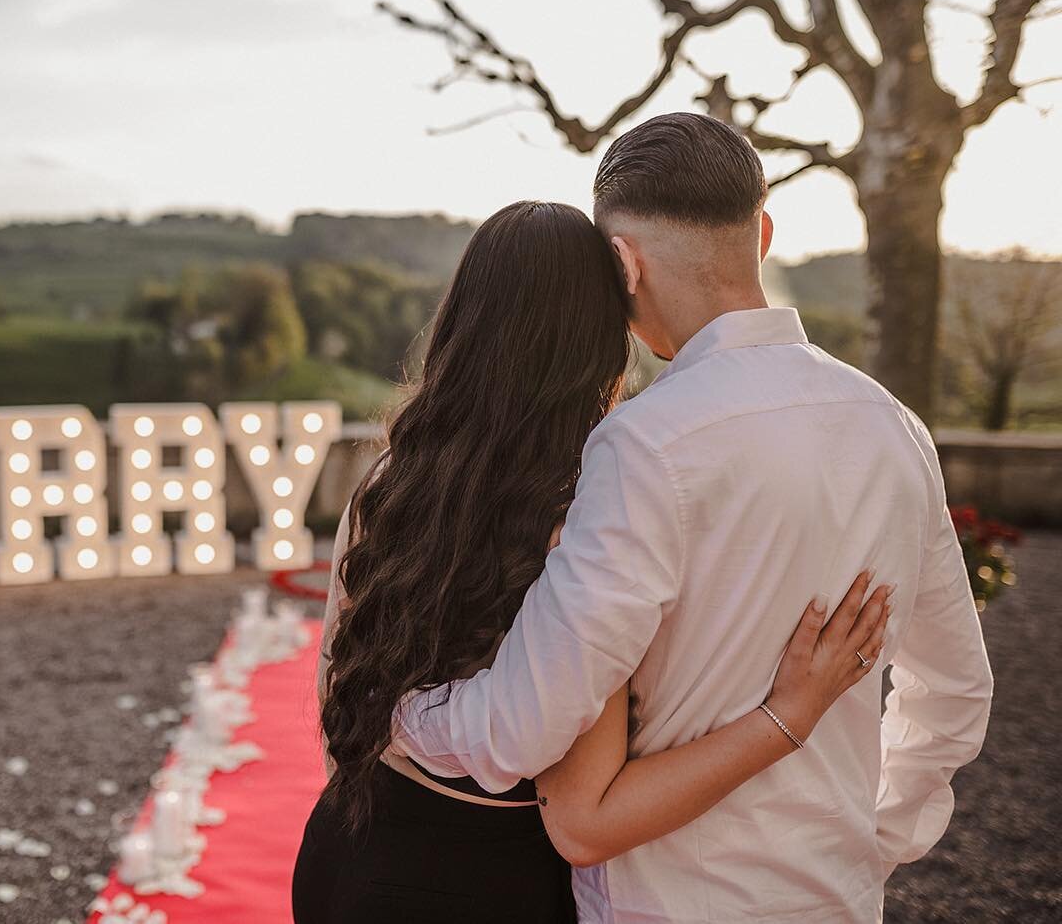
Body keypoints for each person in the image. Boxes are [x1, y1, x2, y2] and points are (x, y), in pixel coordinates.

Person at [391, 114, 994, 922]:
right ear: (764, 234)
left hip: (669, 903)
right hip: (841, 899)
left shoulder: (641, 446)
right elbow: (955, 690)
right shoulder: (895, 426)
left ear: (622, 262)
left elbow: (523, 726)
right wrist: (872, 840)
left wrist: (399, 712)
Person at [291, 198, 892, 924]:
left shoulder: (393, 475)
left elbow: (335, 676)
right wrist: (787, 712)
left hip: (346, 843)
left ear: (462, 319)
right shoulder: (593, 502)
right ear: (599, 334)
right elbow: (539, 755)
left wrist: (385, 723)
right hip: (480, 879)